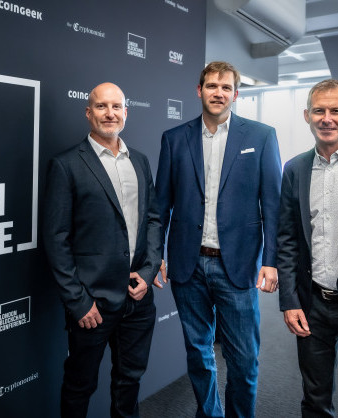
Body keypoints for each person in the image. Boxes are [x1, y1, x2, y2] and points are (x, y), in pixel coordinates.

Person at [155, 61, 282, 418]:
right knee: (199, 354)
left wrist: (270, 261)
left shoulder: (261, 136)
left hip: (237, 265)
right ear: (199, 90)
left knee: (243, 360)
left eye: (226, 87)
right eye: (212, 86)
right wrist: (156, 255)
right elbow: (160, 206)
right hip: (188, 264)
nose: (218, 93)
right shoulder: (174, 139)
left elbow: (273, 206)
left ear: (236, 94)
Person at [43, 82, 162, 418]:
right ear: (88, 112)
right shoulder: (66, 164)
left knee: (129, 382)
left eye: (116, 106)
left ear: (126, 112)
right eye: (101, 106)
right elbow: (56, 239)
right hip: (92, 303)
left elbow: (153, 220)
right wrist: (78, 301)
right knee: (79, 386)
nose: (110, 113)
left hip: (138, 299)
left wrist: (150, 270)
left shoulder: (140, 161)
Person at [278, 79, 338, 417]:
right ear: (307, 116)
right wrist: (290, 301)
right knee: (315, 398)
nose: (327, 118)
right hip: (313, 301)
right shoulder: (295, 169)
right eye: (319, 111)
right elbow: (287, 239)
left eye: (335, 111)